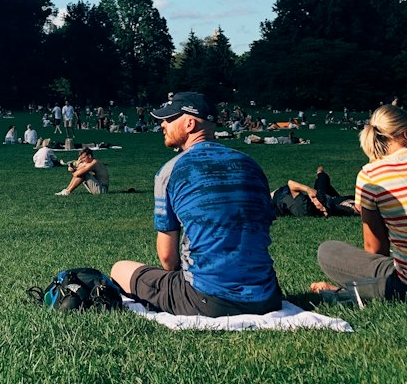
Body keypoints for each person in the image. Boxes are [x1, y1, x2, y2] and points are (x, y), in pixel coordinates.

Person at [111, 91, 282, 317]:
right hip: (267, 296)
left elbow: (167, 259)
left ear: (190, 123)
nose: (163, 125)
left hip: (207, 300)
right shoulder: (251, 165)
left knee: (120, 268)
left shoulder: (172, 171)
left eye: (170, 119)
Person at [313, 104, 407, 301]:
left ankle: (350, 293)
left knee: (327, 251)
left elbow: (375, 249)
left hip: (403, 283)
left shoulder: (371, 176)